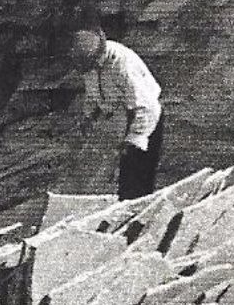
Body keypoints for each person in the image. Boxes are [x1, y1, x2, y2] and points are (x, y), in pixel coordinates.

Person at [70, 27, 164, 199]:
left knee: (138, 175)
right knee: (123, 179)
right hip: (121, 115)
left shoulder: (122, 64)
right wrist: (88, 115)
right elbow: (93, 92)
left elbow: (145, 106)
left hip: (146, 118)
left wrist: (134, 140)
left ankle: (138, 214)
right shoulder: (89, 64)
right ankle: (125, 207)